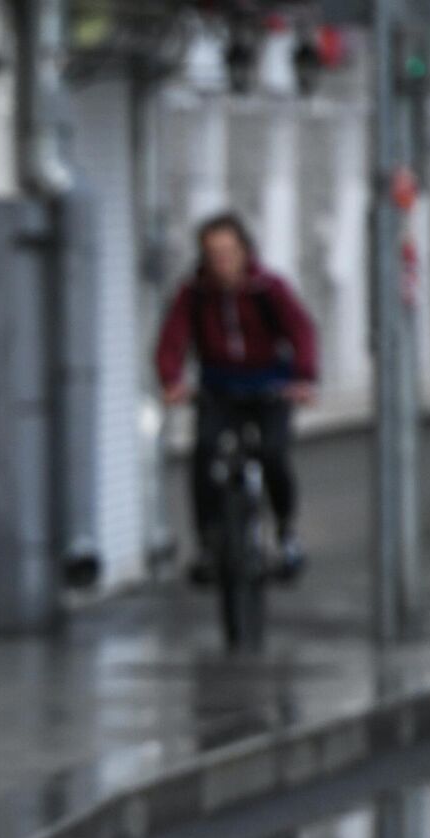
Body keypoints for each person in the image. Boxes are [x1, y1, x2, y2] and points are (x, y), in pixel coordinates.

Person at [153, 213, 320, 584]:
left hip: (269, 388)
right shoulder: (194, 294)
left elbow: (301, 330)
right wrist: (171, 380)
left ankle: (286, 534)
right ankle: (209, 544)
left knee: (274, 453)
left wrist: (304, 378)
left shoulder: (268, 289)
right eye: (213, 254)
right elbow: (172, 339)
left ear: (245, 252)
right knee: (205, 453)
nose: (221, 262)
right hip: (219, 390)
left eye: (228, 253)